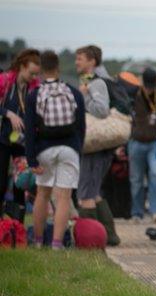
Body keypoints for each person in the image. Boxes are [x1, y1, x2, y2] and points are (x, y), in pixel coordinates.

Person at [24, 50, 85, 249]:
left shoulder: (35, 95)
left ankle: (39, 241)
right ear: (58, 68)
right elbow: (81, 126)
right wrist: (78, 150)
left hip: (44, 149)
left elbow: (30, 129)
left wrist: (31, 159)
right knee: (64, 197)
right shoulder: (73, 92)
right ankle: (57, 243)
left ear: (41, 69)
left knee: (42, 193)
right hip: (69, 148)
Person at [74, 45, 122, 246]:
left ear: (92, 61)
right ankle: (109, 235)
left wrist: (83, 95)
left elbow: (101, 111)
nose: (76, 62)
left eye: (80, 58)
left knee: (86, 191)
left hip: (97, 146)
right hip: (96, 144)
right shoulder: (91, 80)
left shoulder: (97, 82)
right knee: (93, 191)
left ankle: (90, 242)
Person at [0, 48, 40, 218]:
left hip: (22, 142)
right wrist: (8, 114)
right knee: (0, 183)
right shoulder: (5, 81)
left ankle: (18, 227)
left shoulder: (34, 88)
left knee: (21, 183)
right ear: (22, 66)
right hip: (2, 139)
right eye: (31, 73)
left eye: (36, 74)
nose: (34, 78)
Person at [129, 67, 156, 223]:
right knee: (136, 179)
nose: (149, 88)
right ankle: (137, 212)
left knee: (155, 175)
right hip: (136, 141)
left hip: (155, 142)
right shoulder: (135, 94)